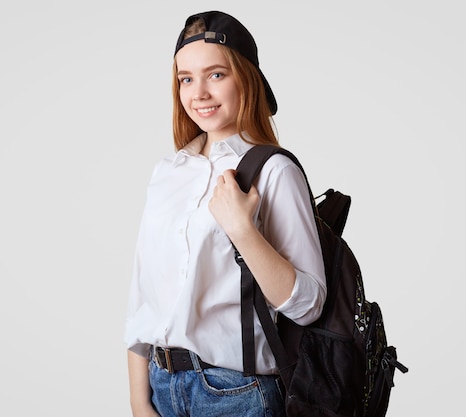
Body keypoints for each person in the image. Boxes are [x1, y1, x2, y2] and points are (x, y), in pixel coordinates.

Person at [124, 10, 327, 417]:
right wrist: (138, 401)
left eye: (216, 74)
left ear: (245, 78)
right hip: (161, 387)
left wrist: (242, 230)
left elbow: (310, 304)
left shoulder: (273, 171)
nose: (199, 92)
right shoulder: (168, 172)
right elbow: (143, 296)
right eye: (186, 79)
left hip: (236, 394)